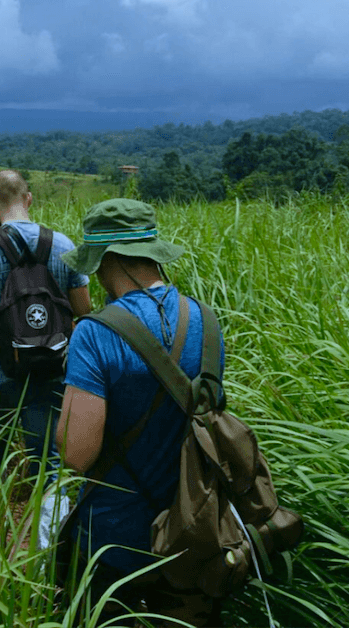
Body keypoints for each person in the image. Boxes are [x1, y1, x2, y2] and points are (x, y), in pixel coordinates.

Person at [55, 198, 226, 626]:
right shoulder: (206, 319)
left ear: (105, 259)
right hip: (194, 527)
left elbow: (77, 455)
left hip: (114, 537)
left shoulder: (95, 333)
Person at [0, 170, 92, 472]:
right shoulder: (62, 244)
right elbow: (84, 310)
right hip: (50, 368)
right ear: (29, 199)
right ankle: (47, 515)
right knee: (46, 459)